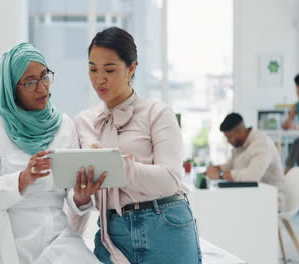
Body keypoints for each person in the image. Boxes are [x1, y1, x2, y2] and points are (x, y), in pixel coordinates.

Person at [71, 27, 201, 264]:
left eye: (109, 69)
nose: (99, 79)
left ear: (131, 68)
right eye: (92, 69)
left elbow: (170, 179)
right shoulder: (83, 122)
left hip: (164, 224)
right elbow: (85, 190)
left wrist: (115, 166)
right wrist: (80, 197)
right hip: (112, 232)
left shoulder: (157, 113)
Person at [0, 43, 103, 264]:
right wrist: (22, 179)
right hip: (9, 240)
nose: (42, 88)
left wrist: (81, 194)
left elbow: (71, 193)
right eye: (30, 82)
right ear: (12, 89)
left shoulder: (63, 125)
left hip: (56, 236)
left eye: (44, 77)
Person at [206, 113, 285, 208]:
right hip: (252, 195)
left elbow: (252, 176)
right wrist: (215, 169)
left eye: (229, 137)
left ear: (239, 132)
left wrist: (220, 175)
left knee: (224, 206)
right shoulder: (239, 144)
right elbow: (231, 165)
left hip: (271, 199)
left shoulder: (262, 144)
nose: (228, 141)